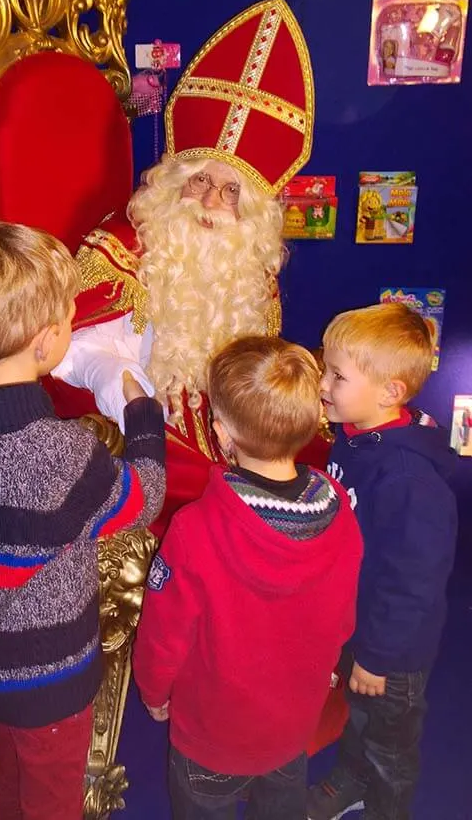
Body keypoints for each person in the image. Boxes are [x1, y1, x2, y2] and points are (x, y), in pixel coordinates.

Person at [47, 0, 329, 538]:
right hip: (135, 413)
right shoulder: (122, 246)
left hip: (221, 415)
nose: (210, 201)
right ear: (177, 180)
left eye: (230, 191)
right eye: (200, 180)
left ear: (250, 209)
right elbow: (72, 352)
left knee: (304, 451)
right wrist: (132, 397)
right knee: (215, 491)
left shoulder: (248, 263)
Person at [0, 220, 166, 820]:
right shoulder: (62, 454)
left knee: (12, 766)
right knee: (54, 795)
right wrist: (143, 413)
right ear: (47, 339)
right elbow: (143, 498)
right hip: (52, 675)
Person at [133, 335, 363, 820]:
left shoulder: (193, 531)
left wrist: (153, 691)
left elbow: (163, 632)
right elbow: (342, 617)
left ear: (220, 432)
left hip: (210, 736)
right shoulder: (340, 510)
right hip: (292, 726)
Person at [308, 302, 458, 820]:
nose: (322, 384)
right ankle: (352, 777)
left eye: (336, 375)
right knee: (359, 718)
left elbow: (413, 584)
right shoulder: (353, 436)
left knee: (389, 740)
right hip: (358, 621)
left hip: (393, 648)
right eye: (325, 368)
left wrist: (378, 655)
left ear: (390, 392)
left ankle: (386, 809)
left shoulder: (407, 478)